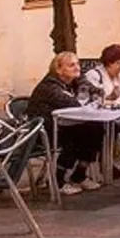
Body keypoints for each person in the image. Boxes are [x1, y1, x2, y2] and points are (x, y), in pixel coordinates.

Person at [28, 52, 104, 196]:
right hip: (42, 132)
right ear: (58, 69)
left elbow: (97, 91)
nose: (77, 68)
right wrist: (86, 94)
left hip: (63, 125)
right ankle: (58, 181)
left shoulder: (72, 81)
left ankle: (79, 175)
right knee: (76, 136)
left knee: (96, 128)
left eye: (77, 64)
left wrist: (88, 87)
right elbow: (73, 103)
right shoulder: (50, 86)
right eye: (71, 65)